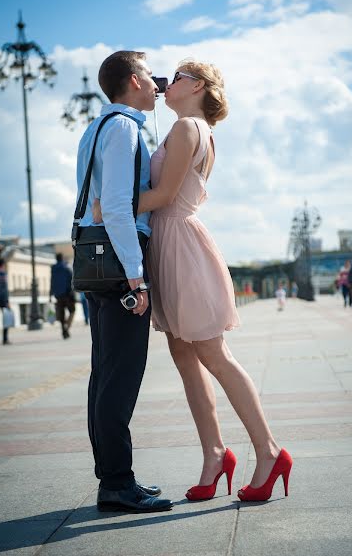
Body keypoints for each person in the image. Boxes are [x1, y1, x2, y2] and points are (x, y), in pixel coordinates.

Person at [94, 59, 292, 503]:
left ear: (197, 86)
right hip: (171, 244)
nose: (167, 81)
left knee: (212, 353)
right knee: (184, 353)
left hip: (179, 245)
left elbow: (164, 197)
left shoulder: (187, 129)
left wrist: (112, 208)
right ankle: (215, 454)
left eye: (178, 76)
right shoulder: (191, 129)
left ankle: (268, 450)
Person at [76, 51, 172, 513]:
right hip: (120, 262)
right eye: (152, 77)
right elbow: (116, 206)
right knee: (120, 375)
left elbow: (96, 204)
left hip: (97, 260)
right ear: (134, 81)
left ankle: (113, 477)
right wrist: (136, 277)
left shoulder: (97, 127)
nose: (158, 84)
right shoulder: (124, 128)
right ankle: (116, 482)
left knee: (106, 372)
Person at [50, 253, 75, 339]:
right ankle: (67, 328)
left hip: (58, 295)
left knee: (61, 313)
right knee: (72, 311)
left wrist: (50, 295)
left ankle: (63, 330)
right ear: (62, 258)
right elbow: (72, 280)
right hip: (67, 294)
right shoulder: (66, 268)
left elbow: (52, 281)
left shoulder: (53, 269)